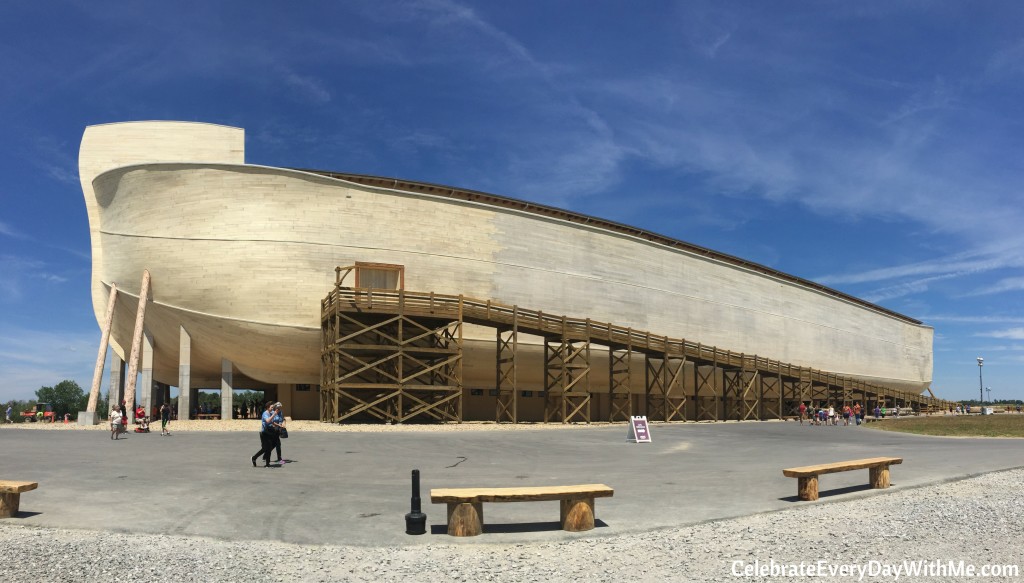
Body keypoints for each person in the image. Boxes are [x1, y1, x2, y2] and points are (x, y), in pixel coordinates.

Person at [251, 402, 279, 468]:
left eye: (273, 407)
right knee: (265, 449)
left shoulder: (270, 413)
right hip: (264, 433)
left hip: (270, 432)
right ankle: (255, 458)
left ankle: (265, 463)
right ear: (268, 407)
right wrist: (274, 414)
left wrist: (277, 425)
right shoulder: (265, 413)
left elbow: (271, 421)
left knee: (268, 448)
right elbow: (267, 421)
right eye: (271, 407)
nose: (272, 408)